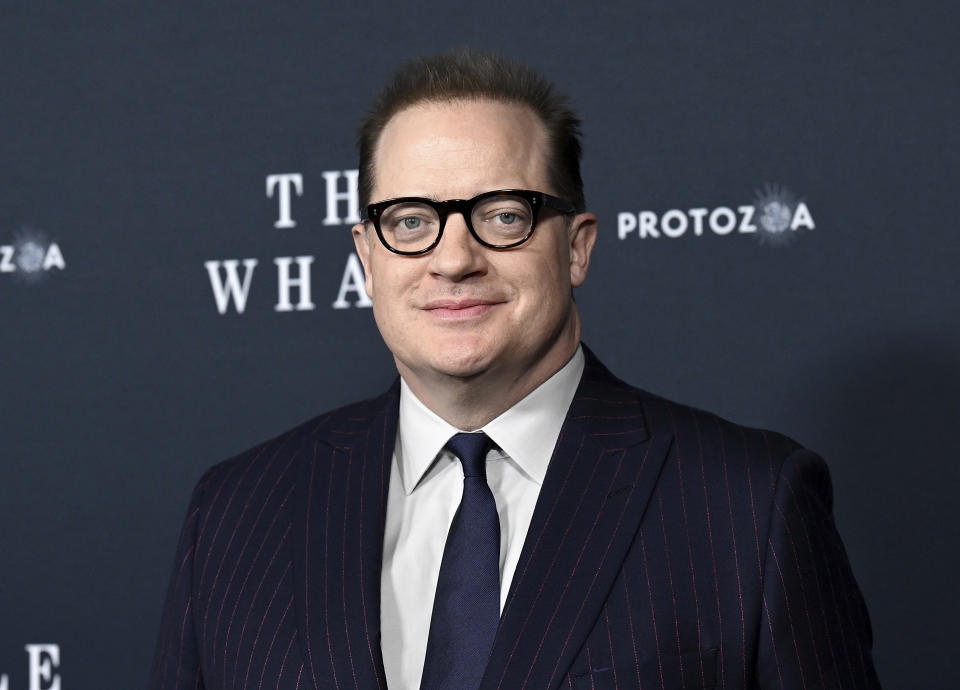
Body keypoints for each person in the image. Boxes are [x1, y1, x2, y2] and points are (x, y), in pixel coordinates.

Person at [150, 50, 880, 690]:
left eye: (503, 215)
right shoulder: (237, 511)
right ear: (367, 259)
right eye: (409, 220)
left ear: (577, 248)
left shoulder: (749, 508)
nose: (454, 257)